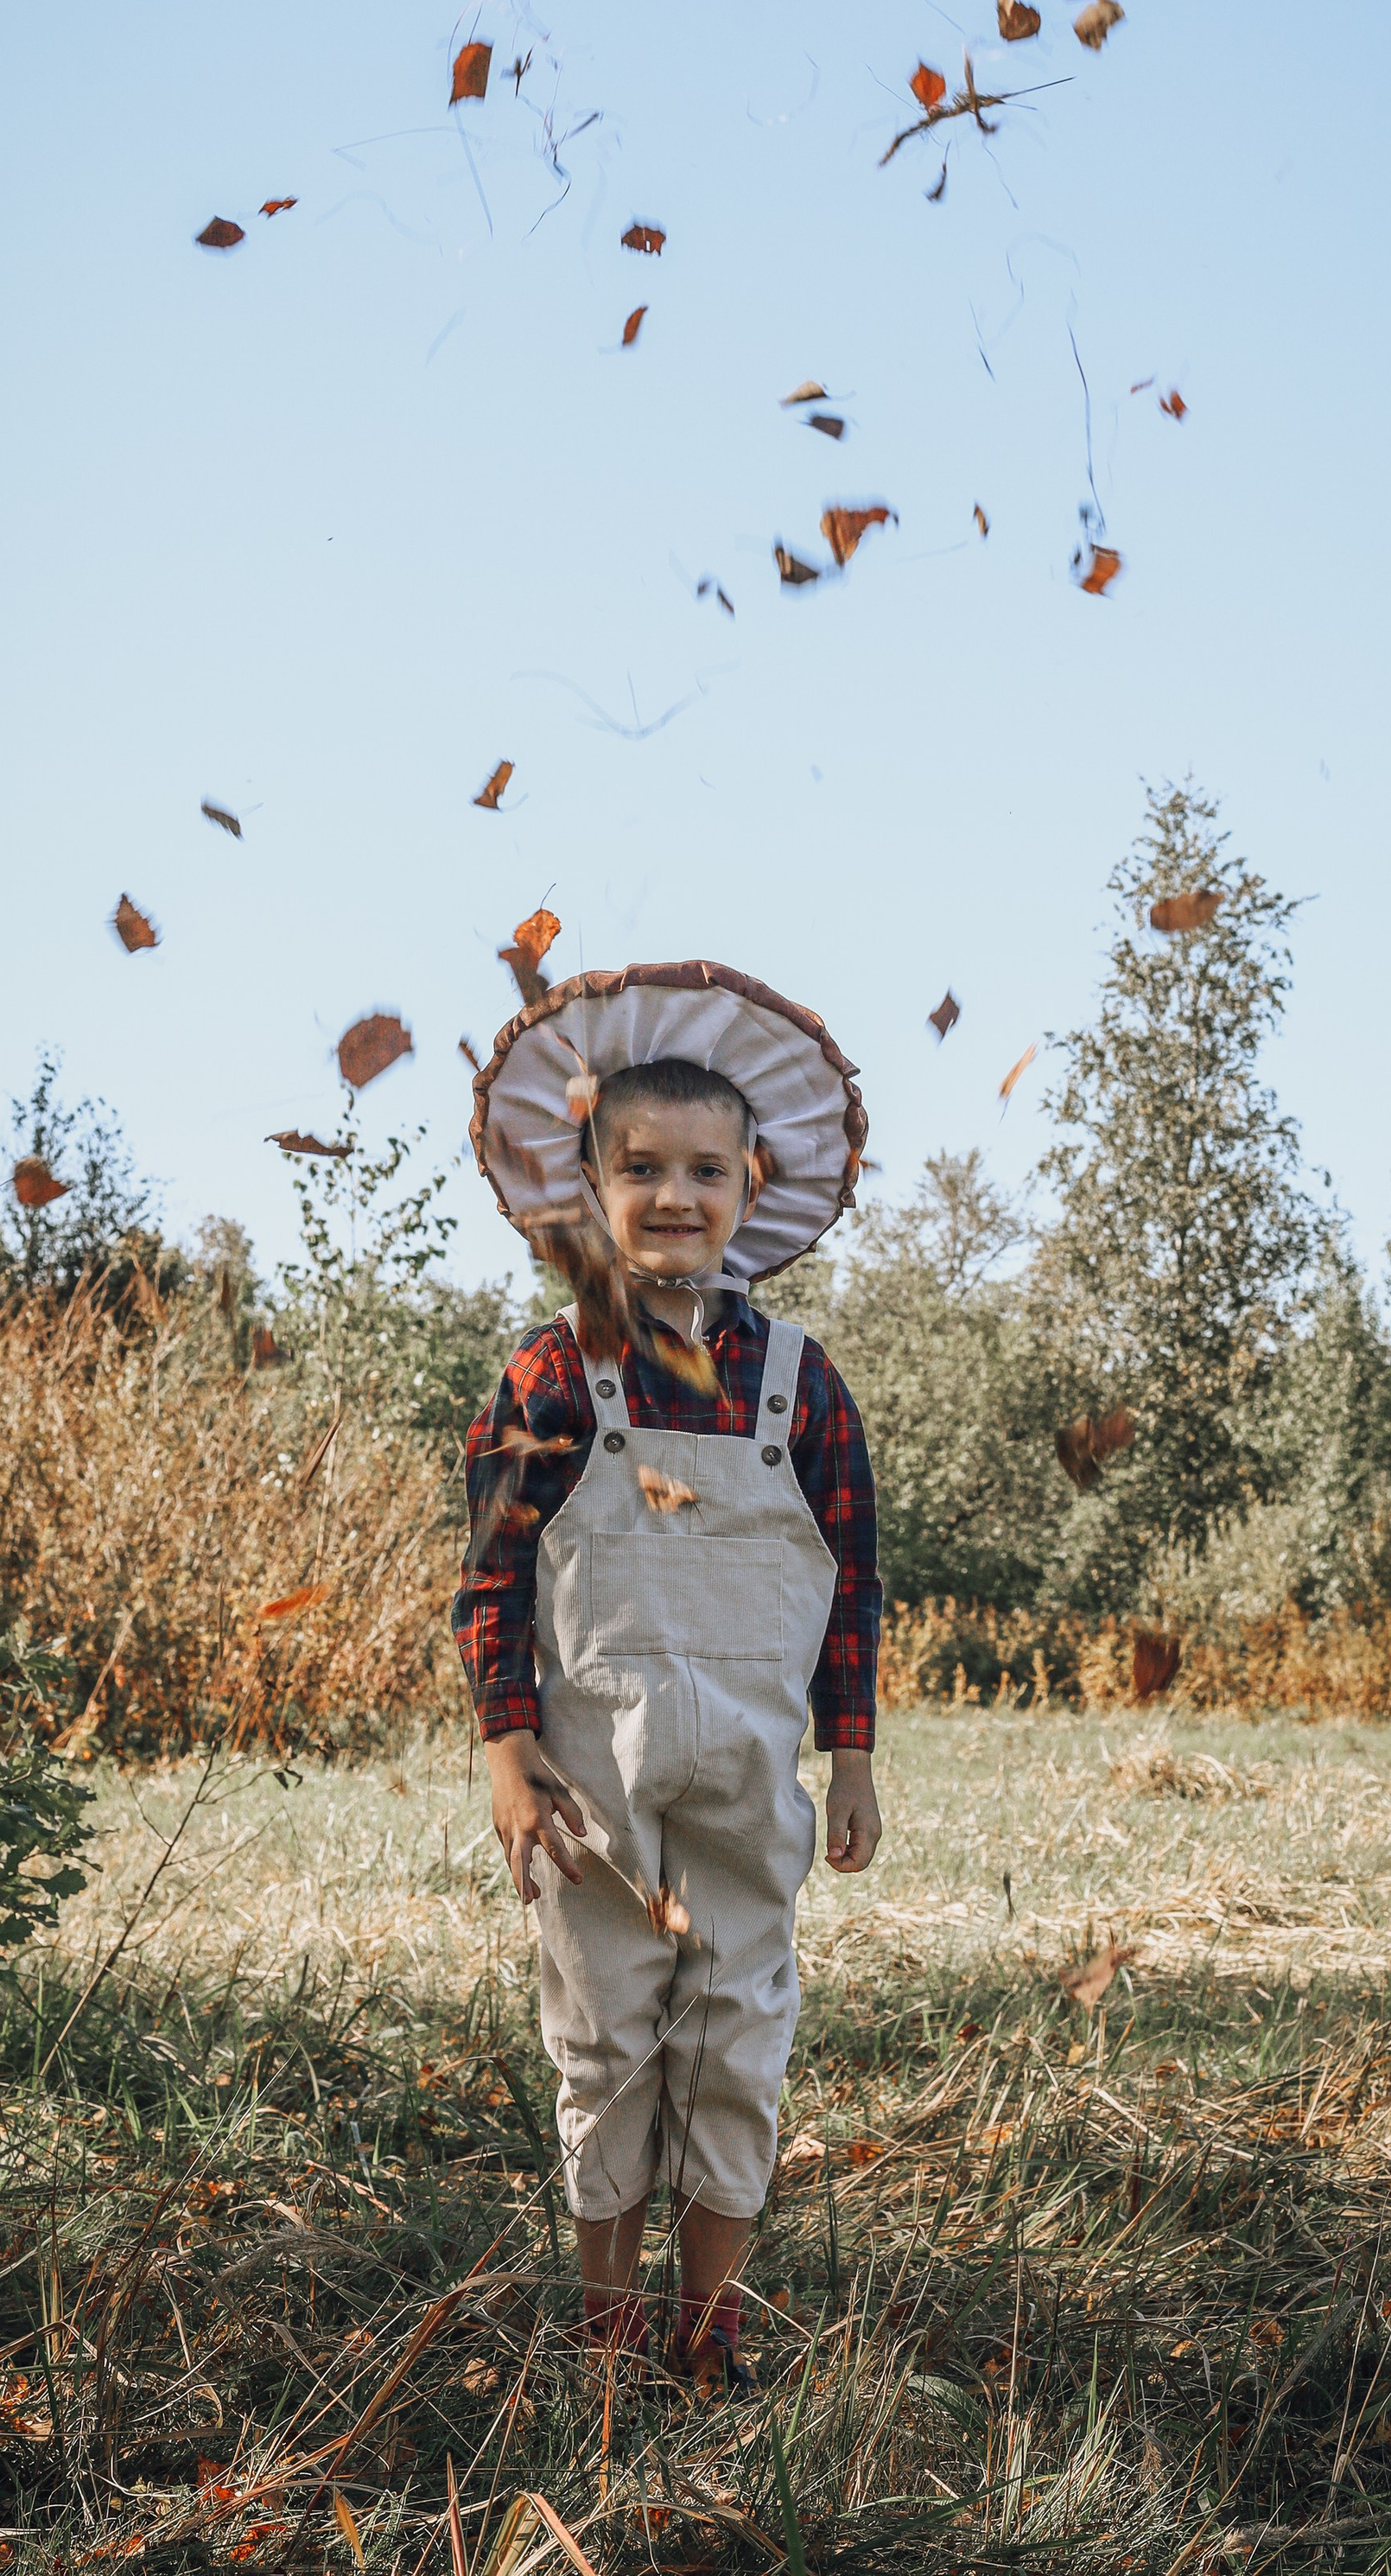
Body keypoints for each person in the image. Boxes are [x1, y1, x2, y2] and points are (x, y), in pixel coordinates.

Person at [455, 962, 881, 2390]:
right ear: (588, 1185)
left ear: (752, 1183)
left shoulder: (803, 1385)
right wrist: (507, 1751)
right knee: (605, 2036)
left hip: (753, 1778)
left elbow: (852, 1580)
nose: (677, 1195)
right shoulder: (550, 1374)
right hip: (594, 1777)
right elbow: (494, 1576)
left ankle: (709, 2325)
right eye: (642, 1168)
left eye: (707, 1168)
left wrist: (857, 1755)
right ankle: (606, 2319)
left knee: (737, 2037)